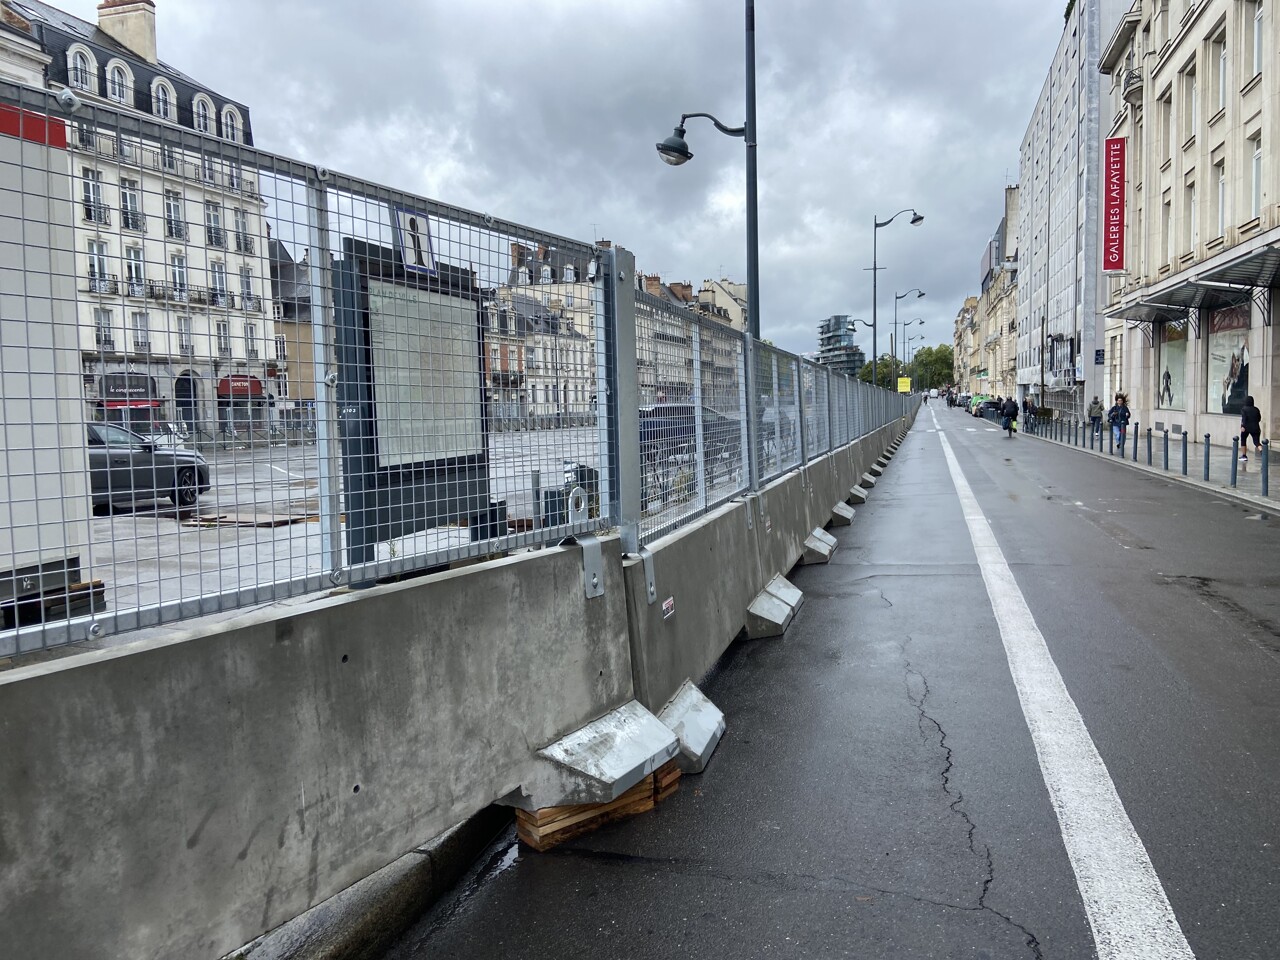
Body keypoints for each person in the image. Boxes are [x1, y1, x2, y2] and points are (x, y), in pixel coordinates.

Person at [1239, 395, 1263, 461]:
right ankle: (1262, 451)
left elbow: (1244, 418)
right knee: (1256, 442)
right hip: (1255, 427)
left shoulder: (1244, 409)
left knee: (1243, 440)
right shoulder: (1256, 409)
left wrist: (1242, 426)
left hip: (1246, 427)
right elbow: (1259, 418)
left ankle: (1244, 456)